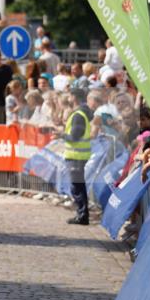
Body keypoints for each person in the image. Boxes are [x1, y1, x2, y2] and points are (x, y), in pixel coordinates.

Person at [61, 88, 93, 225]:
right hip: (77, 155)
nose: (68, 98)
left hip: (76, 156)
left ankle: (82, 215)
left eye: (70, 95)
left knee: (77, 187)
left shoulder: (78, 115)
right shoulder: (81, 113)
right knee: (78, 186)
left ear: (74, 97)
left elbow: (74, 136)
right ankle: (82, 214)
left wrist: (60, 134)